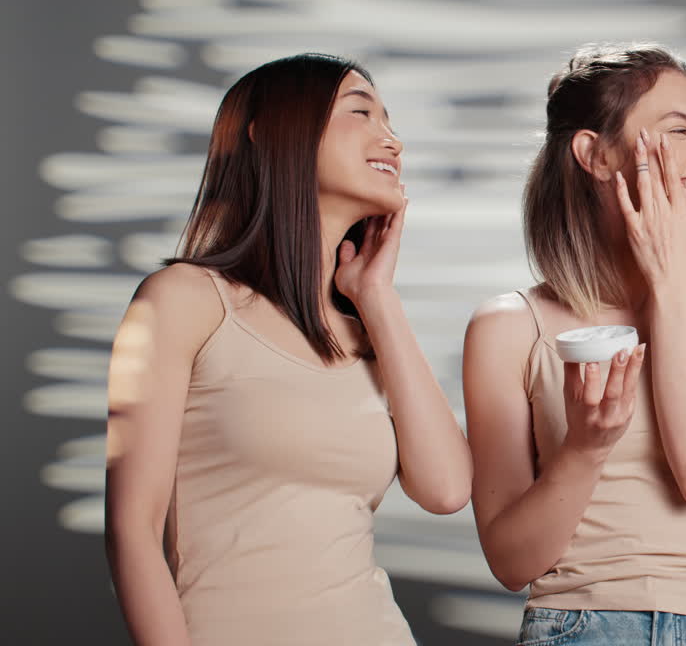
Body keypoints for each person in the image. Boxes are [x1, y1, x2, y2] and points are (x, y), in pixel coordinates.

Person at [104, 53, 472, 646]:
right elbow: (132, 529)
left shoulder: (368, 330)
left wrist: (378, 300)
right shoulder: (183, 301)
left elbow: (447, 489)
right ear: (273, 132)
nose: (393, 140)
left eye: (391, 121)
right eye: (362, 113)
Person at [462, 43, 686, 645]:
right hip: (577, 628)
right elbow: (511, 562)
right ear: (596, 154)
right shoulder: (510, 327)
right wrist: (585, 449)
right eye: (680, 130)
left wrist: (670, 282)